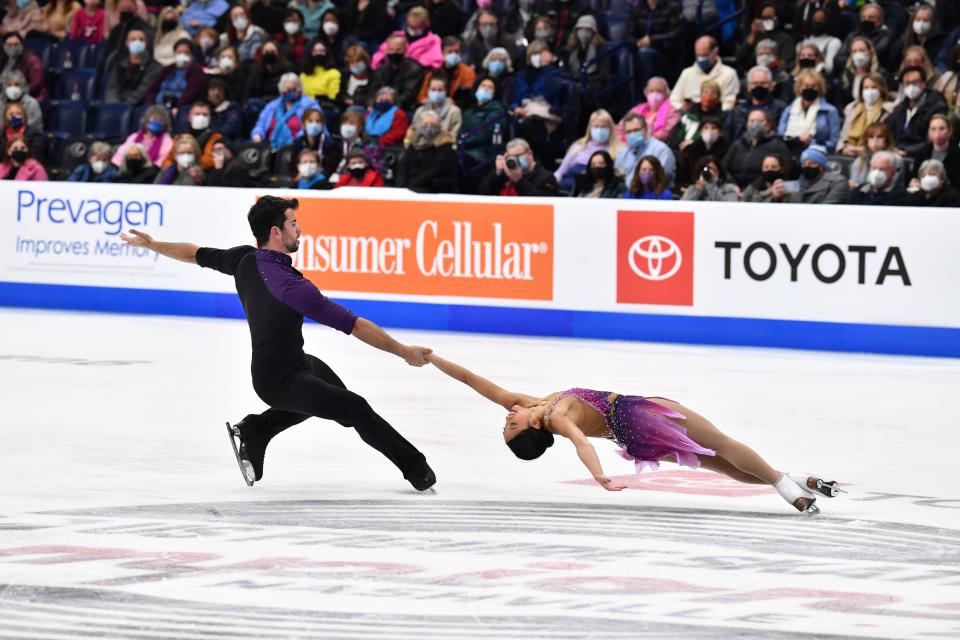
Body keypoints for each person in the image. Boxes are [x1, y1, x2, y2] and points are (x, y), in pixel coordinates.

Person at [118, 196, 437, 491]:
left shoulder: (243, 259)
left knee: (336, 405)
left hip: (296, 364)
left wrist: (155, 245)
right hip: (279, 381)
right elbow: (353, 325)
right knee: (356, 409)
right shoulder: (291, 286)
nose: (300, 229)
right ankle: (415, 467)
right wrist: (404, 351)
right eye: (293, 224)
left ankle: (257, 429)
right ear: (275, 231)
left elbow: (195, 253)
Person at [423, 352, 837, 515]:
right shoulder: (555, 414)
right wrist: (598, 475)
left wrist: (432, 359)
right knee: (723, 444)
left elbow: (473, 380)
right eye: (509, 425)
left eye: (505, 423)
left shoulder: (532, 405)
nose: (506, 416)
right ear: (533, 427)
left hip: (630, 437)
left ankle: (798, 481)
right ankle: (790, 489)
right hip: (638, 415)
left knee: (719, 465)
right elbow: (581, 441)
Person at [888, 67, 948, 159]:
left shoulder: (937, 107)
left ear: (924, 84)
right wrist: (891, 148)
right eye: (907, 83)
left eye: (915, 82)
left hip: (924, 156)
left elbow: (933, 139)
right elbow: (888, 132)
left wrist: (906, 151)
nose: (911, 86)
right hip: (897, 154)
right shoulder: (899, 109)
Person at [554, 109, 619, 192]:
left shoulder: (619, 149)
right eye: (596, 126)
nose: (599, 130)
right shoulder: (577, 147)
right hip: (574, 190)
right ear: (590, 128)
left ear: (610, 128)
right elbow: (560, 172)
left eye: (603, 127)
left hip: (603, 191)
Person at [395, 109, 458, 193]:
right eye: (425, 124)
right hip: (409, 190)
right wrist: (402, 187)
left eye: (432, 124)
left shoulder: (446, 146)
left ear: (439, 126)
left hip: (433, 190)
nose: (428, 127)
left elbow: (436, 171)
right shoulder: (414, 144)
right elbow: (403, 166)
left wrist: (414, 185)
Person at [778, 69, 841, 153]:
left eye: (814, 86)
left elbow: (833, 141)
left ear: (819, 88)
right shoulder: (789, 110)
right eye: (806, 86)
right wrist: (797, 139)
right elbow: (781, 135)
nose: (810, 89)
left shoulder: (830, 111)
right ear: (800, 87)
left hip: (818, 153)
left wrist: (812, 142)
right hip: (791, 151)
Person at [251, 73, 320, 149]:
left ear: (300, 88)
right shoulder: (272, 106)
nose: (292, 92)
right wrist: (257, 135)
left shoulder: (310, 105)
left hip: (297, 148)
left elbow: (315, 128)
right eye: (289, 90)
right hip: (269, 147)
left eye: (295, 88)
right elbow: (260, 125)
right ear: (282, 90)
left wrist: (298, 142)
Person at [670, 36, 739, 112]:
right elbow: (674, 99)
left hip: (717, 117)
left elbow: (729, 103)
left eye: (704, 55)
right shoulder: (687, 73)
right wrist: (683, 108)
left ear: (715, 52)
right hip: (691, 116)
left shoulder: (729, 74)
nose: (701, 59)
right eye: (698, 55)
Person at [723, 65, 787, 142]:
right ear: (748, 87)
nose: (759, 86)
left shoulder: (780, 108)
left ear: (771, 86)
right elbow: (727, 136)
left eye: (763, 83)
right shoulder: (738, 111)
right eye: (755, 83)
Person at [478, 136, 559, 197]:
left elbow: (542, 204)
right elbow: (483, 194)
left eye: (518, 155)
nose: (514, 160)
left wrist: (519, 181)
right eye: (511, 156)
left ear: (530, 153)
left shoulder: (546, 177)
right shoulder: (507, 172)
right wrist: (497, 174)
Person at [628, 0, 683, 87]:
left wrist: (652, 40)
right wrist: (637, 42)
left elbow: (675, 34)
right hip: (641, 49)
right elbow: (628, 34)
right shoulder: (637, 8)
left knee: (644, 53)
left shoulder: (672, 7)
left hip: (665, 51)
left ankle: (647, 91)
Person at [837, 73, 893, 157]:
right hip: (850, 153)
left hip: (876, 155)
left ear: (881, 89)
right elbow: (843, 135)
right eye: (866, 88)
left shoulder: (889, 110)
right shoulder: (852, 109)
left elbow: (888, 140)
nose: (869, 91)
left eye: (874, 87)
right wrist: (843, 149)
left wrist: (864, 150)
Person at [615, 112, 675, 191]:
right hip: (627, 197)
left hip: (655, 196)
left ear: (646, 129)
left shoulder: (661, 150)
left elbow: (662, 179)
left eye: (636, 130)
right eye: (629, 132)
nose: (632, 134)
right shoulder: (622, 154)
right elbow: (617, 178)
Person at [460, 75, 509, 172]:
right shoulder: (469, 112)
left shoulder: (497, 109)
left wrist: (463, 141)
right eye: (483, 85)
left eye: (490, 87)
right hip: (464, 150)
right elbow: (460, 132)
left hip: (482, 153)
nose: (486, 89)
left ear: (495, 92)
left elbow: (486, 132)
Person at [144, 39, 208, 111]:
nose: (182, 55)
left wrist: (177, 107)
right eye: (179, 52)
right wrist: (151, 104)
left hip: (181, 107)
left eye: (186, 53)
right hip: (158, 105)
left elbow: (191, 94)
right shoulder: (167, 69)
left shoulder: (196, 71)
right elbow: (152, 89)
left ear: (192, 55)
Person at [372, 7, 443, 70]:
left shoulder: (433, 40)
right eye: (410, 26)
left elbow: (436, 61)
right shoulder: (396, 36)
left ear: (425, 24)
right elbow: (379, 55)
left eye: (417, 27)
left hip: (417, 74)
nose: (412, 30)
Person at [105, 27, 161, 106]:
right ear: (127, 43)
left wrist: (125, 106)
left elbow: (142, 91)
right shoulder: (119, 64)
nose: (137, 42)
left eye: (141, 40)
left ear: (146, 43)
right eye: (133, 39)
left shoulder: (154, 67)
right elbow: (112, 88)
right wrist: (115, 106)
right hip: (117, 106)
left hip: (138, 106)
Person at [370, 34, 426, 111]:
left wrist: (391, 104)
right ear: (386, 50)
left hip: (404, 108)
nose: (394, 53)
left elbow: (409, 94)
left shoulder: (414, 69)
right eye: (391, 49)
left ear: (405, 50)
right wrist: (373, 103)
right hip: (380, 105)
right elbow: (373, 90)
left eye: (398, 50)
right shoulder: (381, 69)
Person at [735, 2, 796, 70]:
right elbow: (740, 57)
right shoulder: (755, 36)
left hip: (775, 73)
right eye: (764, 18)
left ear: (777, 19)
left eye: (770, 18)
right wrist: (753, 33)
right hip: (752, 72)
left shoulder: (786, 39)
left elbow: (784, 64)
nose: (767, 20)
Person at [618, 77, 680, 144]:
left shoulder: (673, 111)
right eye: (651, 91)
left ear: (666, 94)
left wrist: (642, 140)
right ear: (646, 92)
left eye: (659, 91)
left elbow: (665, 134)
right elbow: (620, 127)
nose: (654, 94)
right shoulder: (637, 109)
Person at [418, 35, 475, 107]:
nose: (454, 54)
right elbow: (422, 97)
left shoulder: (468, 72)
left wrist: (452, 103)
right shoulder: (434, 72)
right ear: (442, 53)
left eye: (457, 51)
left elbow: (468, 97)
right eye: (450, 52)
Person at [835, 2, 892, 74]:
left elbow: (876, 54)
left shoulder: (885, 35)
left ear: (880, 20)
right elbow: (838, 59)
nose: (866, 20)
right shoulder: (852, 36)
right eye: (863, 17)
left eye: (871, 17)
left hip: (876, 74)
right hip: (851, 73)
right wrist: (854, 63)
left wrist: (856, 58)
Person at [888, 3, 944, 74]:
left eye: (926, 20)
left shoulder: (939, 41)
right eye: (918, 19)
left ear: (932, 23)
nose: (921, 23)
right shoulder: (904, 41)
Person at [676, 117, 729, 192]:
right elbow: (682, 174)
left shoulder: (728, 149)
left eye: (713, 128)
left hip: (719, 188)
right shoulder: (690, 150)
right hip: (693, 187)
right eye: (706, 128)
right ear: (701, 131)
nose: (710, 131)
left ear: (720, 132)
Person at [405, 75, 462, 145]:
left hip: (442, 150)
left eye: (440, 90)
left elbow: (454, 136)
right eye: (433, 90)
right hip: (420, 148)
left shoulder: (454, 111)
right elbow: (412, 132)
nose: (436, 93)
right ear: (428, 90)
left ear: (446, 91)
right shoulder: (420, 111)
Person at [289, 107, 340, 178]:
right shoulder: (297, 143)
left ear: (322, 125)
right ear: (303, 124)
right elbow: (293, 167)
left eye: (318, 121)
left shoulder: (330, 144)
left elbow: (330, 170)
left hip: (322, 182)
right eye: (310, 121)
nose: (314, 124)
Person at [672, 80, 724, 148]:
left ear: (718, 98)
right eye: (706, 92)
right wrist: (680, 144)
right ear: (700, 95)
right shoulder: (688, 115)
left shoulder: (722, 117)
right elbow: (676, 136)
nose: (709, 96)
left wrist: (694, 144)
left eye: (713, 93)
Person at [838, 36, 886, 108]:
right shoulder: (847, 75)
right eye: (855, 51)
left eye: (862, 50)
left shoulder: (881, 74)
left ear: (870, 54)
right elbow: (841, 101)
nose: (858, 54)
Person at [849, 121, 897, 190]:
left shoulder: (895, 160)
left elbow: (892, 187)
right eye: (871, 137)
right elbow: (852, 184)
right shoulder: (860, 160)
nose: (875, 141)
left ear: (887, 139)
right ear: (867, 140)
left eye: (879, 137)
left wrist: (858, 187)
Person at [0, 32, 45, 102]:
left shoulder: (32, 61)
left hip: (26, 98)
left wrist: (17, 95)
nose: (13, 47)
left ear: (22, 45)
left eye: (16, 44)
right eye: (9, 45)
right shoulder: (2, 61)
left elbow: (36, 85)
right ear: (3, 46)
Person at [798, 9, 841, 75]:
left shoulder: (833, 42)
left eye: (821, 19)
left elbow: (829, 68)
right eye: (815, 19)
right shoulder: (802, 44)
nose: (817, 21)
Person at [0, 71, 41, 138]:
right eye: (9, 85)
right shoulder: (1, 103)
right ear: (4, 87)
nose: (13, 88)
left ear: (22, 86)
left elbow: (35, 128)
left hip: (27, 138)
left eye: (16, 85)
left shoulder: (32, 103)